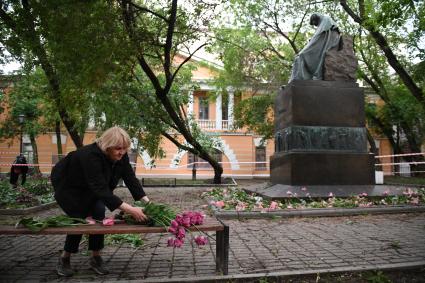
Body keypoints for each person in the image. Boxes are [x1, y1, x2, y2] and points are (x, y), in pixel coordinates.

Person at [51, 126, 149, 277]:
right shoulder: (90, 156)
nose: (121, 152)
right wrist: (131, 210)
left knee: (98, 213)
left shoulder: (121, 156)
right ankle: (65, 258)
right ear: (108, 146)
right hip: (70, 189)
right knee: (80, 219)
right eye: (118, 148)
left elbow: (130, 178)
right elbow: (101, 188)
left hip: (92, 188)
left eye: (124, 148)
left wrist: (147, 203)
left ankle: (95, 257)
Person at [289, 13, 341, 82]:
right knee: (299, 57)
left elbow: (318, 36)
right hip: (323, 42)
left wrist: (307, 47)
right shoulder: (323, 24)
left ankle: (300, 79)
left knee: (302, 55)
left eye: (315, 24)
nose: (316, 25)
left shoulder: (326, 20)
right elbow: (317, 36)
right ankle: (294, 80)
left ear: (316, 19)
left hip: (328, 42)